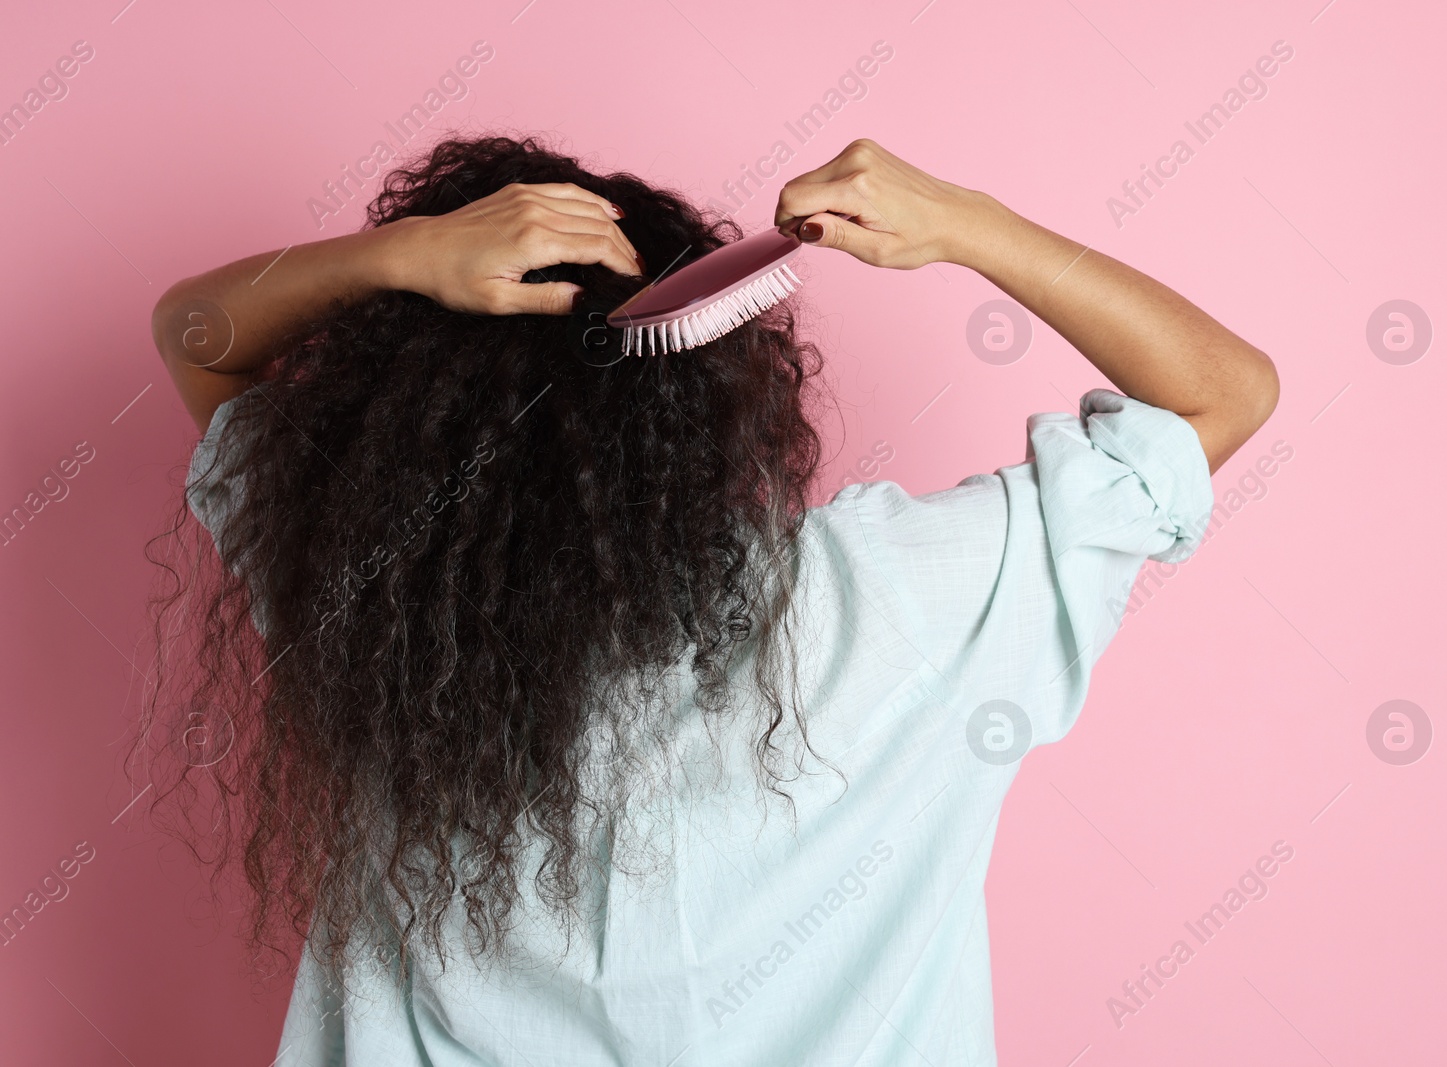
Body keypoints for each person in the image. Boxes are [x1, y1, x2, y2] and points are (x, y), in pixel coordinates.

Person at [147, 133, 1277, 1066]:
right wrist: (967, 223)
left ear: (394, 418)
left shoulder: (372, 603)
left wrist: (398, 257)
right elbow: (1222, 391)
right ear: (710, 397)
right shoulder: (898, 600)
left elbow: (194, 336)